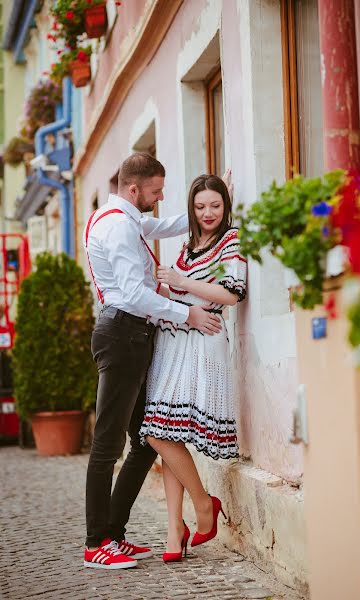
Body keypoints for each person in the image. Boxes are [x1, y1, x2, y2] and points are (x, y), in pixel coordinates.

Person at [83, 153, 222, 570]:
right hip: (123, 333)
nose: (160, 198)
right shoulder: (119, 227)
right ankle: (95, 544)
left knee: (145, 440)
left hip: (131, 334)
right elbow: (134, 293)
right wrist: (188, 313)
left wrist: (210, 203)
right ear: (133, 189)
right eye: (157, 191)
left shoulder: (123, 216)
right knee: (107, 444)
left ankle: (115, 533)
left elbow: (165, 226)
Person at [139, 174, 247, 562]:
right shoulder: (188, 246)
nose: (208, 213)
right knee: (165, 432)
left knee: (159, 432)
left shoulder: (230, 241)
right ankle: (174, 530)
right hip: (172, 343)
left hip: (201, 345)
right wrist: (165, 286)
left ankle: (203, 506)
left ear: (225, 205)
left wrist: (183, 282)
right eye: (200, 207)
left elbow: (232, 294)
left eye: (215, 205)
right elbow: (182, 292)